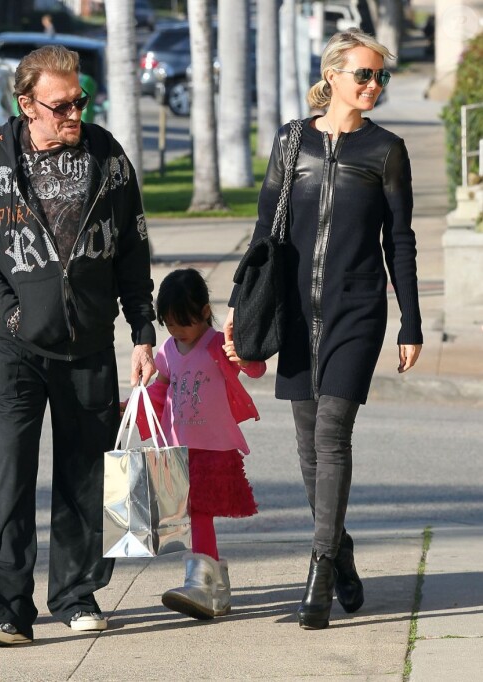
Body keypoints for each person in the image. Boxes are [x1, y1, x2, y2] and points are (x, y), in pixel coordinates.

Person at [0, 45, 156, 646]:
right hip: (17, 351)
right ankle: (9, 610)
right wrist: (8, 308)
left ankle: (75, 594)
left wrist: (144, 331)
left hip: (90, 345)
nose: (74, 113)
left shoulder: (108, 157)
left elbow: (132, 252)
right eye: (61, 104)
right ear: (26, 104)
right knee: (12, 478)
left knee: (84, 476)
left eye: (80, 102)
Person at [224, 28, 423, 630]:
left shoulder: (387, 150)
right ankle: (340, 549)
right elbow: (264, 231)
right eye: (362, 74)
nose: (372, 86)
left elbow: (402, 241)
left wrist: (410, 321)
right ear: (331, 75)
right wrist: (238, 304)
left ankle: (318, 570)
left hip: (358, 309)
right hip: (293, 309)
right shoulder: (292, 143)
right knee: (308, 444)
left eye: (380, 77)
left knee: (333, 434)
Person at [132, 268, 265, 620]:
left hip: (213, 447)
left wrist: (245, 357)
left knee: (201, 511)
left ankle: (203, 583)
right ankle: (213, 587)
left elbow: (255, 368)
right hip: (180, 448)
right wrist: (136, 411)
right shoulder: (166, 350)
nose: (177, 332)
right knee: (194, 512)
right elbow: (160, 390)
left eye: (184, 324)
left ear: (206, 312)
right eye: (170, 325)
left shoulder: (219, 343)